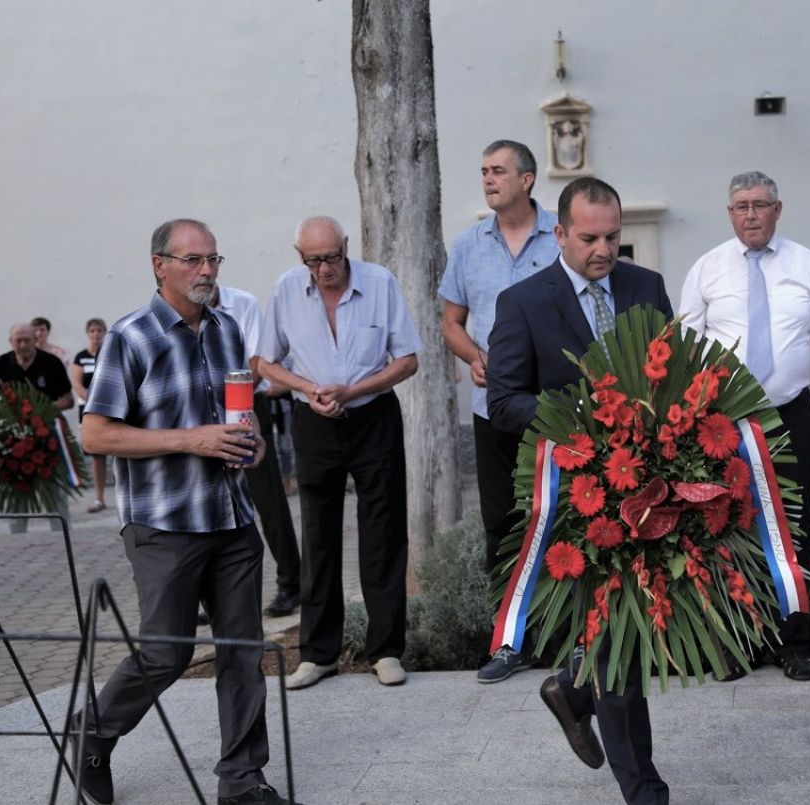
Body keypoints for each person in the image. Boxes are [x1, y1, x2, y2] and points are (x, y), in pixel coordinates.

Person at [76, 218, 301, 805]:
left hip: (231, 518)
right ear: (160, 265)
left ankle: (242, 780)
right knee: (166, 652)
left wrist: (243, 443)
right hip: (163, 523)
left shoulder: (227, 331)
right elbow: (96, 435)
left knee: (243, 654)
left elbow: (235, 414)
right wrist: (190, 439)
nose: (207, 271)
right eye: (193, 260)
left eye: (213, 260)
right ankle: (92, 733)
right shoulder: (130, 337)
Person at [488, 176, 672, 805]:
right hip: (573, 499)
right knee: (617, 635)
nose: (603, 249)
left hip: (646, 489)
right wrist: (581, 416)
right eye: (589, 237)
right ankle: (643, 789)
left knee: (632, 628)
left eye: (613, 236)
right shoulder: (523, 303)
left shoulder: (645, 287)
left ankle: (573, 688)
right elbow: (503, 400)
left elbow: (670, 373)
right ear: (559, 233)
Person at [678, 170, 810, 681]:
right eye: (740, 206)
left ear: (779, 209)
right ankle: (733, 640)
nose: (750, 214)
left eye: (759, 204)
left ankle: (793, 641)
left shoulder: (807, 265)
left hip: (790, 414)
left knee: (793, 527)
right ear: (729, 213)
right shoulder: (707, 269)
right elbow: (685, 351)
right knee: (724, 525)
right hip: (722, 421)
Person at [255, 216, 420, 690]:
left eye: (332, 257)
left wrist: (352, 390)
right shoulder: (287, 289)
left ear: (346, 247)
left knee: (384, 533)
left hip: (372, 416)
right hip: (313, 420)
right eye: (314, 260)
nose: (325, 269)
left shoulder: (380, 282)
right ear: (299, 256)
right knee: (319, 535)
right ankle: (318, 653)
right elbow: (264, 362)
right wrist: (308, 387)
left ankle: (386, 650)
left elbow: (407, 359)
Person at [438, 139, 560, 683]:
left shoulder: (561, 235)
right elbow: (450, 323)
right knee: (501, 524)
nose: (488, 180)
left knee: (564, 518)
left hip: (555, 409)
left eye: (498, 171)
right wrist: (473, 356)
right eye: (484, 171)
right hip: (493, 409)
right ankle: (512, 641)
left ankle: (569, 637)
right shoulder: (468, 246)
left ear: (527, 179)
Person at [212, 284, 303, 618]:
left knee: (267, 499)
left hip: (247, 404)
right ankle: (217, 594)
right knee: (214, 502)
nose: (203, 271)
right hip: (205, 412)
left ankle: (292, 583)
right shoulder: (181, 311)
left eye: (209, 261)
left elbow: (255, 363)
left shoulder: (243, 304)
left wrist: (224, 395)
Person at [0, 322, 74, 533]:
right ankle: (17, 536)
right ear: (11, 342)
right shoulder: (0, 364)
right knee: (16, 487)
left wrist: (43, 408)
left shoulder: (52, 363)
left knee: (54, 488)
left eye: (27, 340)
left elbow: (68, 399)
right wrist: (4, 409)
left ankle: (61, 534)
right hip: (14, 437)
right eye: (18, 340)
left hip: (47, 436)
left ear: (36, 340)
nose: (23, 344)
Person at [70, 318, 109, 513]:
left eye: (99, 330)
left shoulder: (110, 353)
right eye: (92, 330)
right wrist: (94, 403)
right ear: (88, 333)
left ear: (105, 332)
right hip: (88, 410)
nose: (96, 334)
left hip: (110, 408)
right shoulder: (80, 357)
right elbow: (77, 384)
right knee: (97, 455)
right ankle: (99, 498)